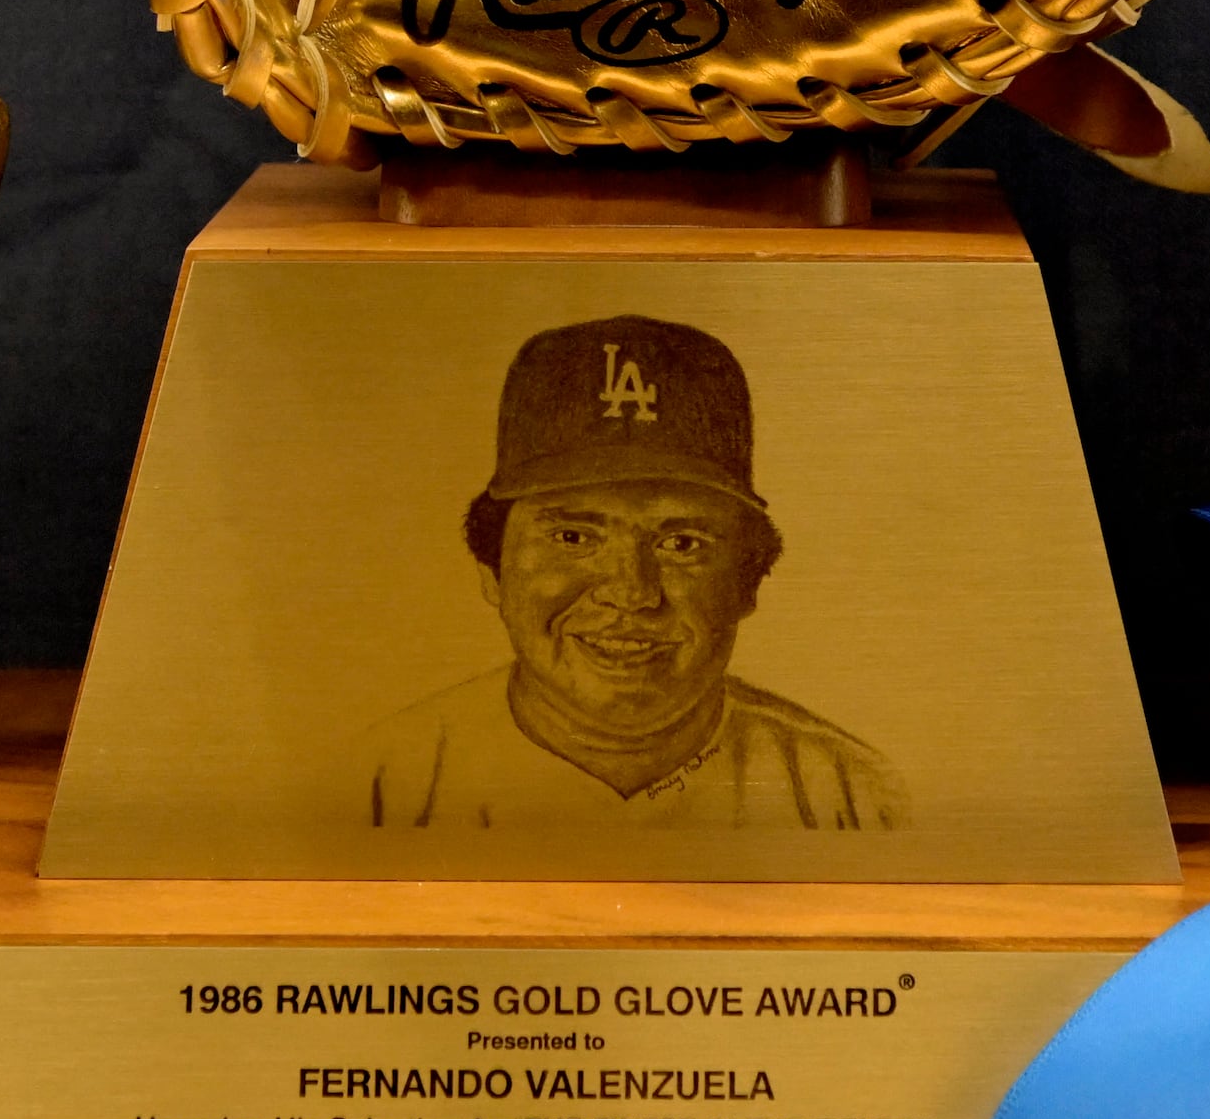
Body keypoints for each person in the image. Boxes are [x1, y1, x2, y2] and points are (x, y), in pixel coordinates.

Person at [354, 314, 904, 831]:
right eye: (573, 538)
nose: (632, 593)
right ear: (491, 569)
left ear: (747, 580)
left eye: (681, 543)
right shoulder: (379, 782)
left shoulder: (853, 797)